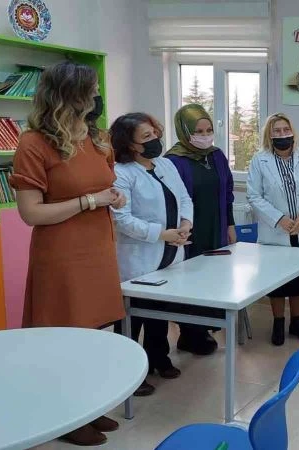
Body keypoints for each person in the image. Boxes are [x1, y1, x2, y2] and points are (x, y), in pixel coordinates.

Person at [9, 61, 127, 446]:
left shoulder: (98, 138)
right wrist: (90, 201)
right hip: (62, 255)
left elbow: (104, 185)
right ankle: (64, 414)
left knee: (94, 334)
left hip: (98, 249)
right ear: (70, 95)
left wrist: (114, 197)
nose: (97, 96)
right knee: (65, 339)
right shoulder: (34, 143)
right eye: (92, 90)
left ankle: (88, 406)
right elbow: (31, 213)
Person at [110, 113, 192, 396]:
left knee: (160, 310)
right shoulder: (121, 172)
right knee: (133, 318)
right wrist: (161, 234)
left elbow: (184, 198)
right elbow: (122, 219)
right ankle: (128, 372)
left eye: (155, 133)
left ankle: (158, 357)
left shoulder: (165, 164)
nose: (155, 139)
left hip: (170, 251)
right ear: (129, 144)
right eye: (146, 137)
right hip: (140, 257)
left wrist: (185, 224)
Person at [246, 113, 299, 346]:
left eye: (285, 130)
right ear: (269, 135)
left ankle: (297, 322)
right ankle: (278, 323)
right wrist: (279, 219)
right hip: (276, 232)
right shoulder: (259, 160)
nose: (282, 134)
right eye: (277, 131)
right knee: (277, 282)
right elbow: (254, 195)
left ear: (292, 132)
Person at [165, 104, 236, 356]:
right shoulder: (173, 161)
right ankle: (189, 332)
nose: (205, 136)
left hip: (216, 227)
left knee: (214, 277)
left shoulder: (216, 155)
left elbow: (227, 193)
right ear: (185, 132)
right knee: (190, 279)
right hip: (189, 230)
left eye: (208, 130)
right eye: (198, 131)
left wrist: (230, 225)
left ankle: (205, 327)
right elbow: (172, 200)